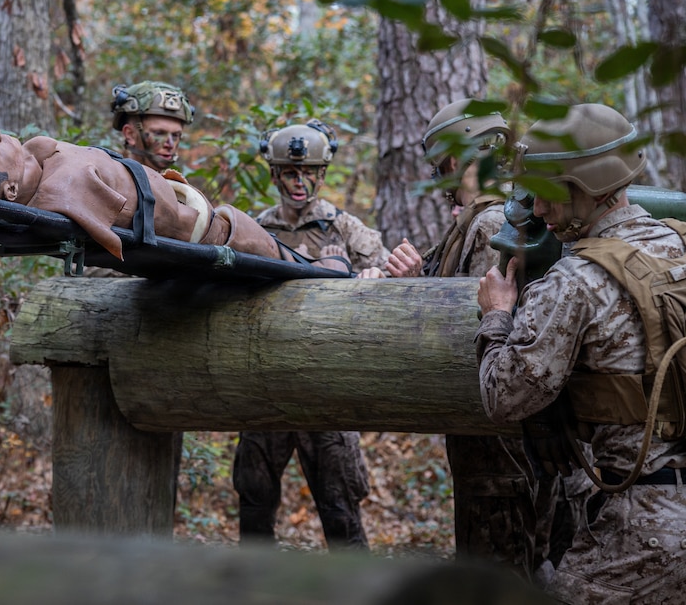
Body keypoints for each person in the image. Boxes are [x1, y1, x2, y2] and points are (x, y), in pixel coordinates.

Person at [476, 103, 686, 601]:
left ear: (586, 188)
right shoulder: (678, 244)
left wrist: (497, 314)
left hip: (644, 527)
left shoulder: (575, 282)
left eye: (550, 196)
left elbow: (503, 397)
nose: (540, 210)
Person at [382, 100, 541, 579]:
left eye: (440, 164)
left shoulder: (492, 224)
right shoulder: (475, 221)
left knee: (498, 575)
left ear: (454, 159)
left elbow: (479, 327)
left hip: (502, 453)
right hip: (485, 446)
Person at [232, 121, 385, 549]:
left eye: (310, 173)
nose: (300, 183)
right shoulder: (254, 228)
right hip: (267, 387)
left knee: (341, 512)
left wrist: (367, 276)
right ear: (275, 174)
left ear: (322, 174)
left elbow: (389, 282)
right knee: (255, 505)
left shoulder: (345, 229)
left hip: (327, 389)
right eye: (289, 173)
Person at [0, 126, 348, 271]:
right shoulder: (62, 193)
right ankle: (320, 268)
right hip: (209, 229)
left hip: (187, 202)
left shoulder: (41, 168)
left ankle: (313, 264)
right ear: (9, 190)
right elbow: (103, 235)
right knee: (270, 252)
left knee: (267, 245)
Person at [111, 80, 193, 172]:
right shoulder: (107, 181)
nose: (170, 145)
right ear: (130, 134)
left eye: (175, 135)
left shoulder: (177, 185)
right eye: (159, 133)